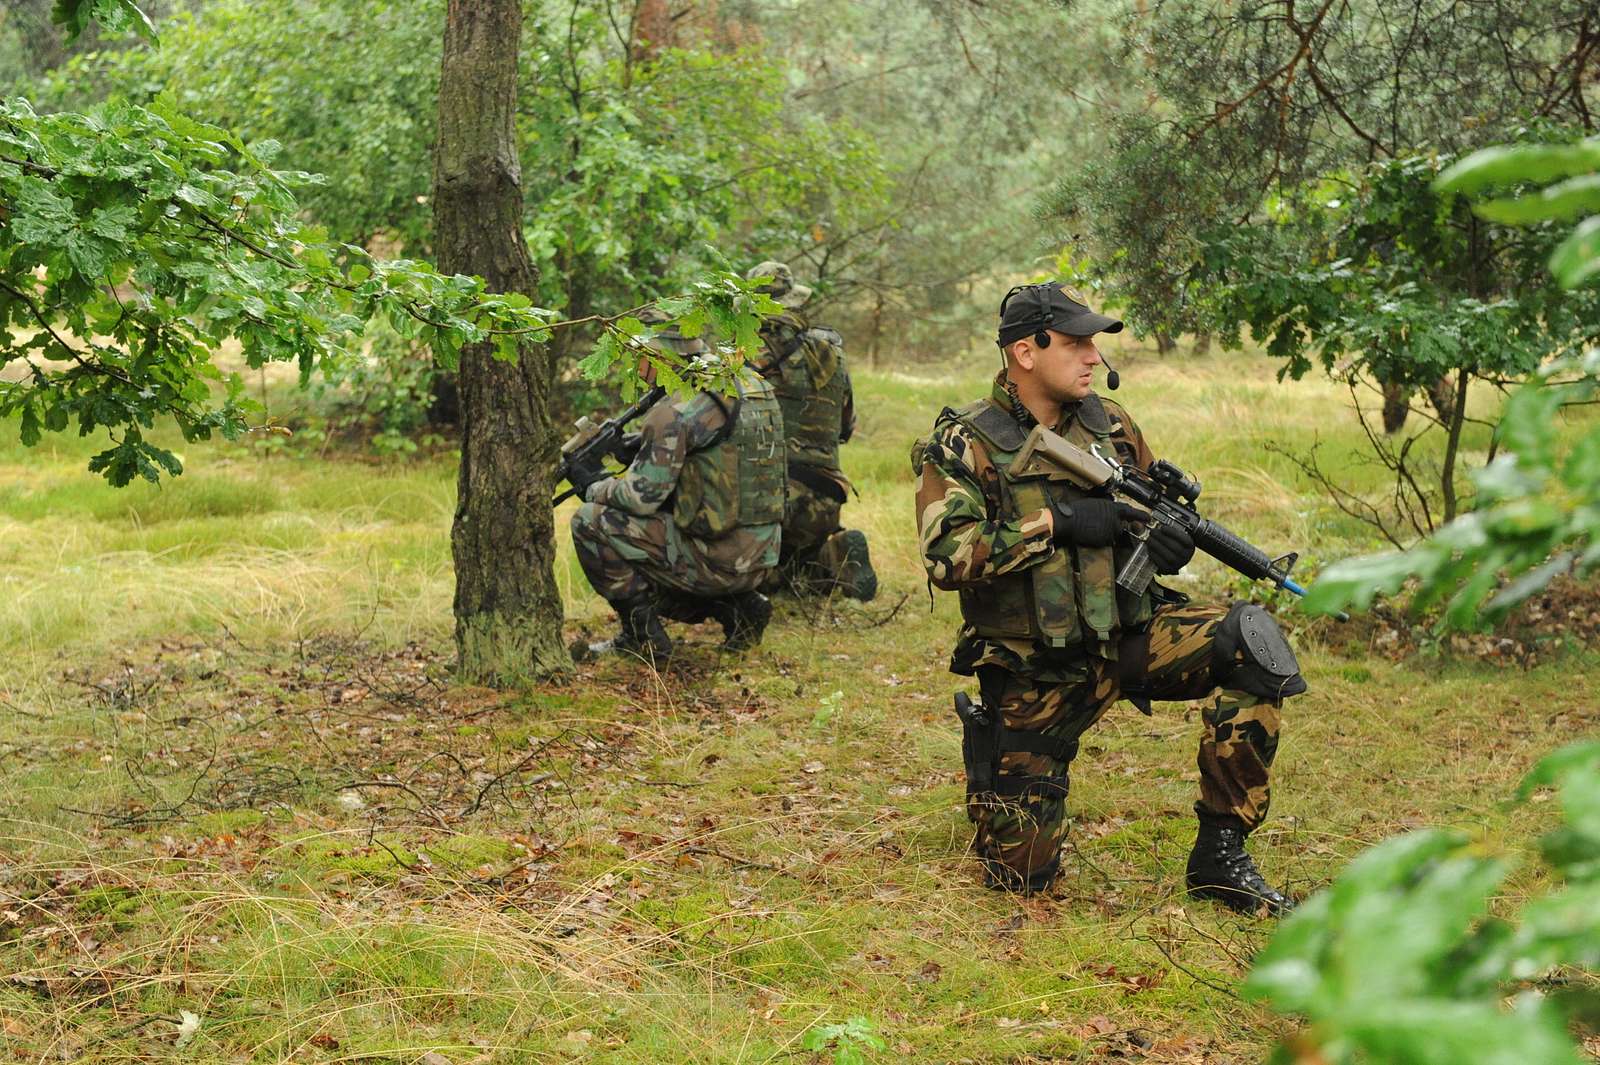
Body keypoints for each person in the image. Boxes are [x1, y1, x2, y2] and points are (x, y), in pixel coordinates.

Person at [913, 281, 1306, 913]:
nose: (1093, 356)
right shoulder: (967, 442)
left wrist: (1162, 543)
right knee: (1023, 879)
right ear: (1025, 352)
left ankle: (1220, 855)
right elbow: (946, 556)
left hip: (1129, 633)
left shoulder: (1111, 427)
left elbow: (1140, 512)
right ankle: (992, 760)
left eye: (1093, 342)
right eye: (1075, 343)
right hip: (1035, 663)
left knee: (1254, 643)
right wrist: (1056, 525)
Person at [567, 308, 785, 661]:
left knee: (590, 521)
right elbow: (720, 454)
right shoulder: (748, 382)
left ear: (660, 355)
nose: (636, 369)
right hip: (765, 554)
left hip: (720, 562)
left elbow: (640, 498)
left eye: (639, 357)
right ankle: (741, 606)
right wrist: (642, 444)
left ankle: (643, 639)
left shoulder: (674, 411)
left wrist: (593, 484)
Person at [745, 261, 877, 601]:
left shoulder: (742, 358)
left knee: (737, 576)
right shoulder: (830, 352)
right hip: (826, 498)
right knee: (793, 568)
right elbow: (846, 429)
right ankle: (829, 557)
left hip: (764, 503)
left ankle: (793, 569)